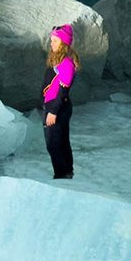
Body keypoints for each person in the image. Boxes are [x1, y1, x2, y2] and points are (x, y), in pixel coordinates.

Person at [42, 23, 79, 179]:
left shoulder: (66, 63)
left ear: (64, 43)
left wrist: (53, 111)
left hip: (57, 107)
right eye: (52, 40)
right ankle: (67, 172)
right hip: (55, 105)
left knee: (54, 144)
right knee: (62, 141)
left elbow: (63, 91)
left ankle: (61, 175)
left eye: (55, 41)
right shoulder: (59, 59)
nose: (52, 43)